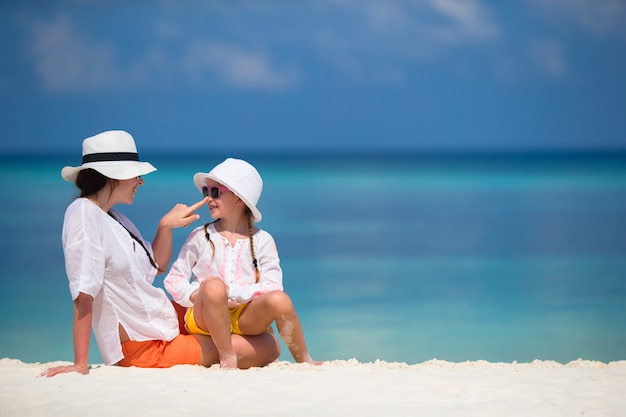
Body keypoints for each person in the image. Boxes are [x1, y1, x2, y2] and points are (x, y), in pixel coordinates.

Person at [41, 131, 280, 377]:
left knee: (247, 326)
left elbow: (155, 266)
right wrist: (80, 364)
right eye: (136, 175)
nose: (140, 181)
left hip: (159, 318)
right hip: (143, 345)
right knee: (268, 347)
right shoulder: (83, 213)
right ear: (114, 176)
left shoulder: (113, 217)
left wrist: (165, 226)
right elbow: (83, 290)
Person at [164, 158, 320, 369]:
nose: (208, 198)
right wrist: (199, 294)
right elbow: (174, 278)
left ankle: (305, 361)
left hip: (244, 316)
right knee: (213, 286)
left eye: (215, 192)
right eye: (206, 192)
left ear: (239, 200)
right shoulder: (200, 236)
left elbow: (273, 285)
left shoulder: (263, 240)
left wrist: (234, 293)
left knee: (280, 300)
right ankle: (228, 358)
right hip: (205, 316)